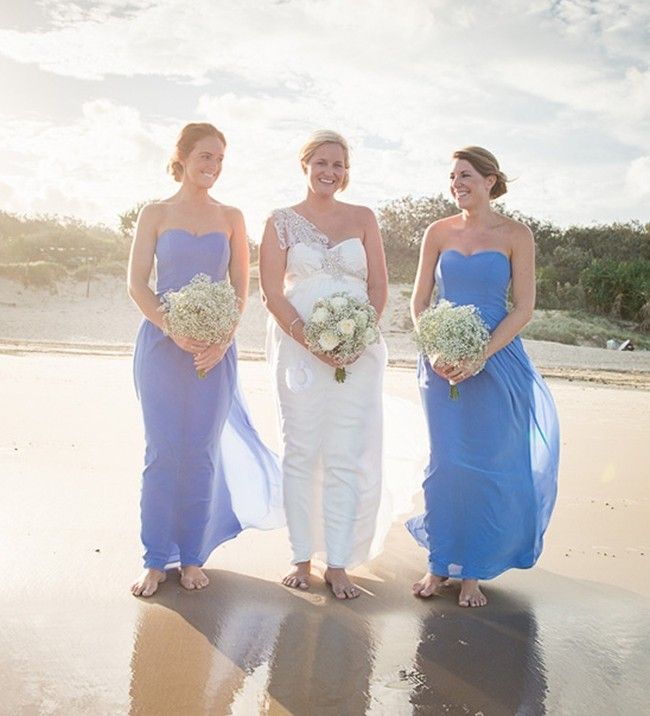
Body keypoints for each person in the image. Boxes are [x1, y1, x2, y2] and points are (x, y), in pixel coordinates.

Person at [128, 122, 283, 597]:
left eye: (219, 158)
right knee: (162, 451)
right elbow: (137, 285)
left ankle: (192, 556)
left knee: (200, 452)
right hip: (160, 345)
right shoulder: (154, 213)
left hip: (214, 351)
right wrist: (172, 328)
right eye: (204, 156)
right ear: (182, 156)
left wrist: (220, 339)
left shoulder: (232, 217)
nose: (212, 166)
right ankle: (155, 559)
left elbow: (241, 288)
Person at [407, 146, 559, 607]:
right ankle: (438, 564)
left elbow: (524, 308)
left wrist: (481, 354)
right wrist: (435, 348)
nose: (457, 183)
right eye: (453, 176)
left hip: (496, 362)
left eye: (467, 175)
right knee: (446, 462)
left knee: (486, 465)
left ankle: (472, 571)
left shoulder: (518, 235)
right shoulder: (436, 231)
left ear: (491, 181)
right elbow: (418, 303)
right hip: (441, 364)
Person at [260, 130, 389, 599]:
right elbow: (272, 293)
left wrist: (358, 336)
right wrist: (313, 342)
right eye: (321, 163)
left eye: (337, 165)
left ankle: (337, 562)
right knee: (300, 450)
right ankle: (300, 557)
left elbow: (378, 288)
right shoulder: (280, 221)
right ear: (305, 165)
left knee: (343, 454)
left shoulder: (363, 218)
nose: (329, 172)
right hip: (299, 351)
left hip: (359, 353)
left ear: (346, 171)